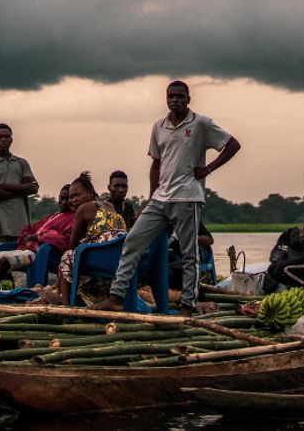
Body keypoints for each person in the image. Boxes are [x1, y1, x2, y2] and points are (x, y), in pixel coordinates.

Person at [92, 80, 241, 316]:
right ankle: (116, 296)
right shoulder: (159, 126)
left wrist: (208, 168)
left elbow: (232, 145)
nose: (175, 100)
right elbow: (156, 163)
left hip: (187, 197)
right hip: (161, 198)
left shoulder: (200, 123)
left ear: (188, 99)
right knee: (132, 241)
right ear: (166, 99)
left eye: (180, 96)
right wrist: (151, 197)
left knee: (188, 253)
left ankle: (187, 306)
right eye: (171, 96)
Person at [0, 184, 76, 295]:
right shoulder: (54, 216)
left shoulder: (73, 218)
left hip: (34, 253)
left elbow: (65, 241)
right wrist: (27, 238)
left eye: (67, 198)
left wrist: (39, 237)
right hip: (22, 250)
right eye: (62, 198)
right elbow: (29, 229)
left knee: (5, 261)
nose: (64, 202)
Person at [57, 172, 127, 306]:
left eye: (77, 195)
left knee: (66, 256)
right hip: (120, 256)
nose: (72, 200)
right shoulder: (109, 206)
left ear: (90, 193)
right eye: (71, 197)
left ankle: (66, 307)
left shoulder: (84, 209)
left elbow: (72, 245)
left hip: (103, 256)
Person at [0, 123, 39, 254]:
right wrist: (21, 189)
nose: (3, 140)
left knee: (19, 263)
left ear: (11, 139)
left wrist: (4, 186)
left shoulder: (21, 163)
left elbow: (34, 187)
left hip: (20, 225)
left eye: (6, 137)